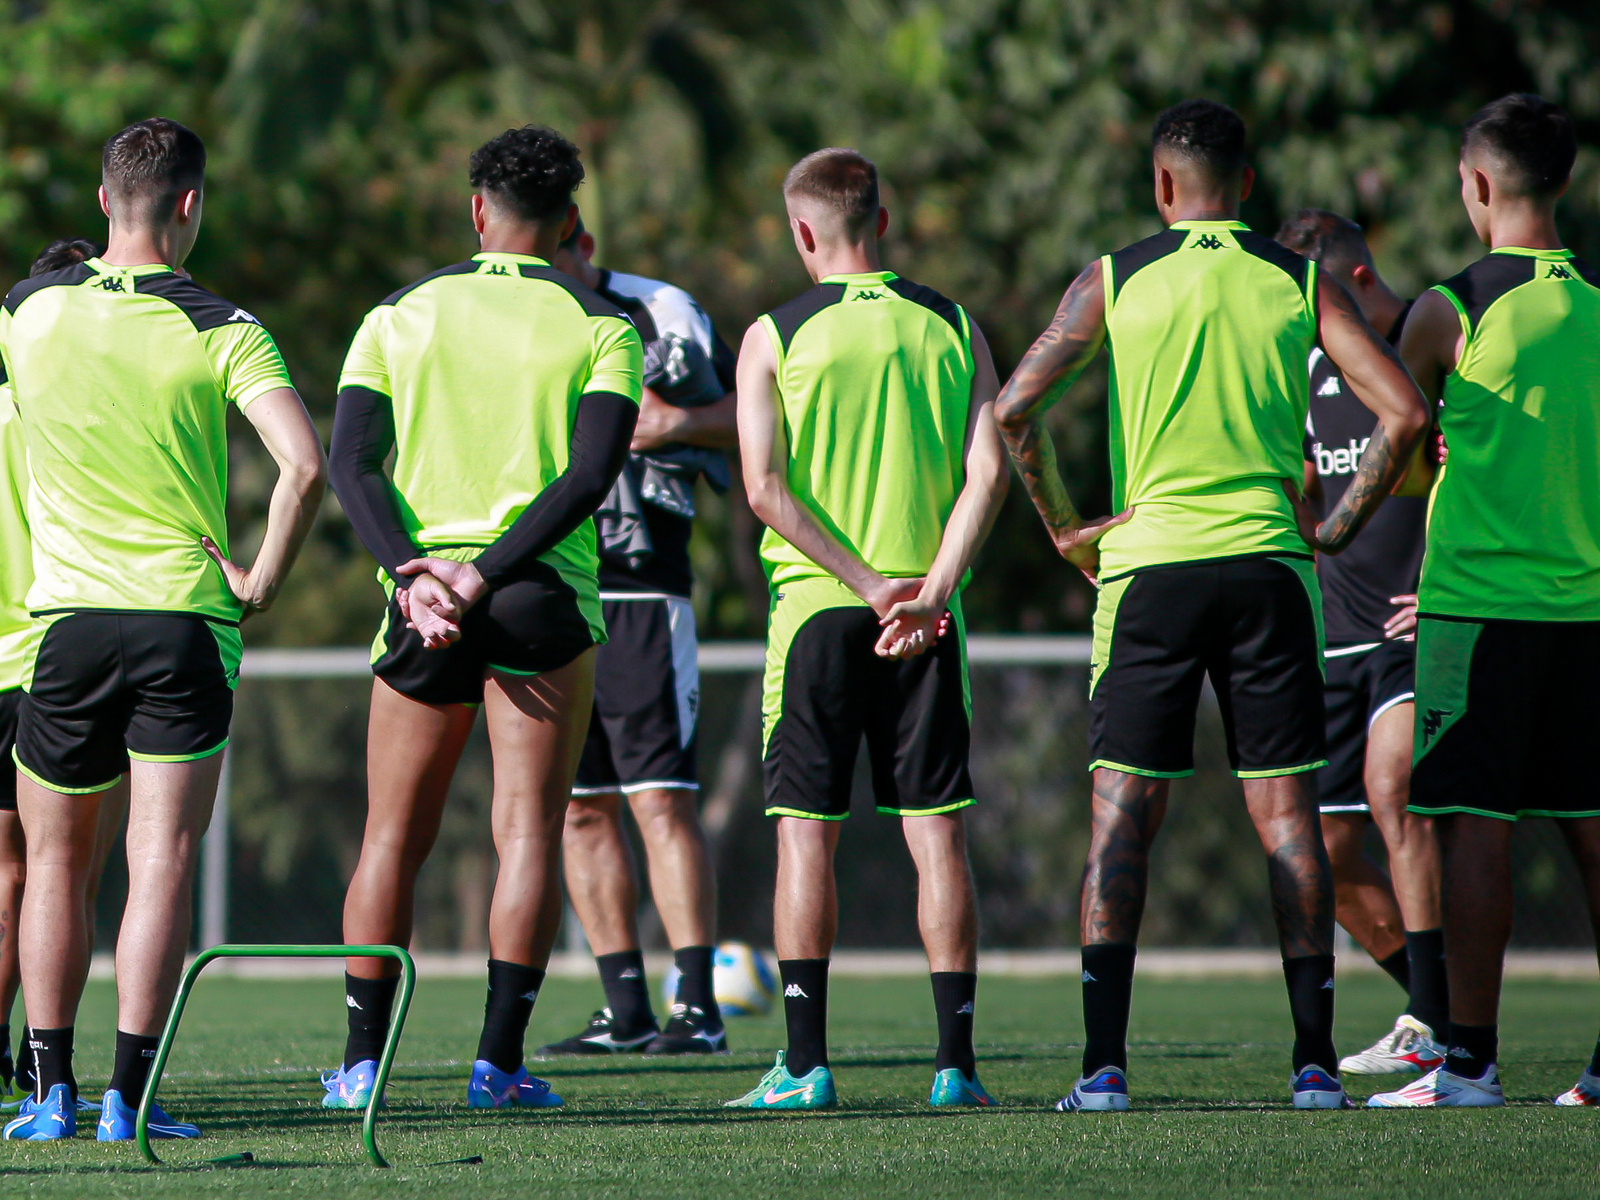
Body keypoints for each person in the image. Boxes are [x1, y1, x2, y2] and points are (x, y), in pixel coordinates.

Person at [995, 100, 1428, 1112]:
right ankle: (1314, 1064)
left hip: (1148, 569)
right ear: (1245, 185)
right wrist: (1332, 528)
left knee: (1121, 816)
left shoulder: (1112, 278)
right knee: (1285, 819)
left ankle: (1102, 1069)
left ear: (1159, 184)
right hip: (1272, 572)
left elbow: (1014, 405)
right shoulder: (1297, 278)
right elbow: (1404, 411)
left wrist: (1068, 526)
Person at [0, 118, 326, 1141]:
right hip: (185, 621)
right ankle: (126, 1102)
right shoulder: (223, 323)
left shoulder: (25, 310)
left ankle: (45, 1091)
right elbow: (304, 466)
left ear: (104, 200)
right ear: (190, 205)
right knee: (161, 859)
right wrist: (260, 580)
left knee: (53, 865)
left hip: (66, 627)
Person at [324, 125, 642, 1111]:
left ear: (476, 211)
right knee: (529, 834)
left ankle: (361, 1067)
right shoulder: (603, 324)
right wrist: (485, 574)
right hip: (537, 596)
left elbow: (352, 463)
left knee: (390, 839)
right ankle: (498, 1068)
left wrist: (414, 575)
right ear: (567, 224)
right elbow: (588, 477)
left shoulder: (396, 313)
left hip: (421, 599)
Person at [725, 148, 1009, 1111]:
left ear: (804, 231)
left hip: (817, 613)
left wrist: (866, 585)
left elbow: (765, 492)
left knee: (806, 838)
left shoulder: (774, 333)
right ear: (880, 221)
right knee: (939, 840)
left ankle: (804, 1067)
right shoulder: (956, 325)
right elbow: (989, 475)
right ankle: (955, 1069)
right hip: (929, 619)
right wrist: (928, 590)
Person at [1369, 95, 1600, 1109]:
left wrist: (1334, 525)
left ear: (1475, 185)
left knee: (1471, 826)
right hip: (1587, 611)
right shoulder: (1595, 302)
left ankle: (1467, 1064)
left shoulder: (1449, 307)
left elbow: (1399, 441)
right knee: (1592, 831)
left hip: (1474, 608)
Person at [537, 219, 737, 1057]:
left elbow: (752, 414)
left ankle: (697, 1006)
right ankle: (624, 1007)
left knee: (659, 798)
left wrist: (667, 424)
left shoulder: (660, 313)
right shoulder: (518, 313)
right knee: (577, 811)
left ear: (576, 240)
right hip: (547, 590)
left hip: (643, 588)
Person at [1274, 210, 1448, 1075]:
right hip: (1334, 635)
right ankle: (1433, 1008)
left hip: (1414, 627)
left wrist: (1449, 584)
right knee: (1328, 854)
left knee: (1395, 790)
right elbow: (1306, 484)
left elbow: (1476, 474)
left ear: (1360, 283)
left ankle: (1436, 1022)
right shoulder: (1308, 367)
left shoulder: (1432, 346)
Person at [0, 239, 130, 1110]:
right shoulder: (83, 413)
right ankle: (52, 1068)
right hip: (46, 654)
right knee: (62, 873)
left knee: (13, 874)